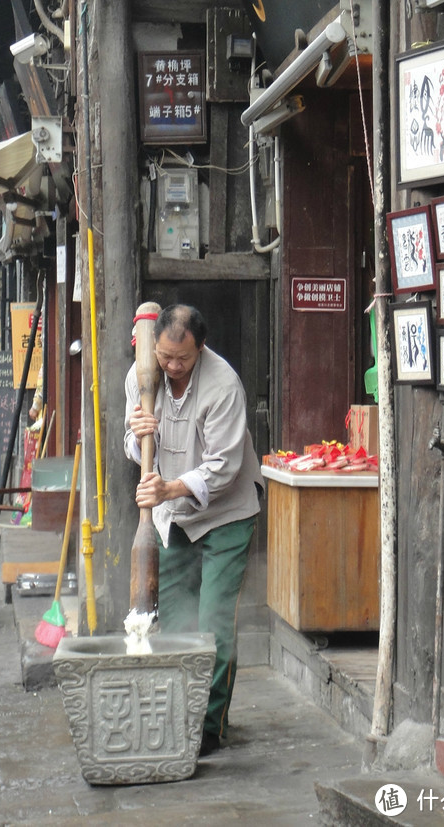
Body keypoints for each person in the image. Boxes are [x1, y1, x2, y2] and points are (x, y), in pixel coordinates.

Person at [124, 303, 264, 757]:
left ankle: (208, 724)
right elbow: (133, 445)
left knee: (214, 622)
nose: (172, 366)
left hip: (226, 513)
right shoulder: (141, 375)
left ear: (199, 348)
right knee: (173, 618)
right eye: (165, 357)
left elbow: (223, 468)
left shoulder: (223, 384)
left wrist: (168, 489)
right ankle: (173, 710)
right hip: (174, 517)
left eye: (182, 359)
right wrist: (136, 431)